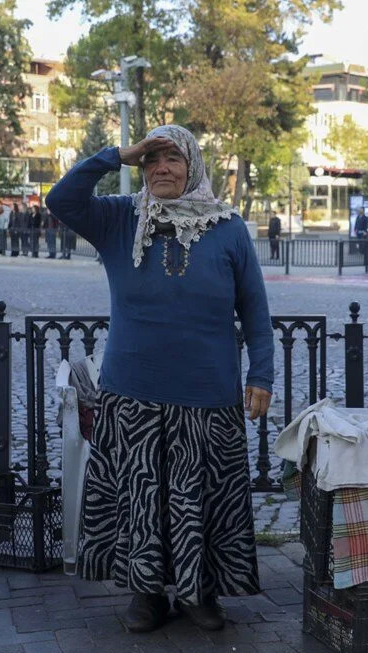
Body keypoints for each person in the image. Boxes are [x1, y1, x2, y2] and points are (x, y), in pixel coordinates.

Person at [45, 124, 274, 634]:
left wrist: (261, 373)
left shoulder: (229, 228)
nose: (161, 168)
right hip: (134, 394)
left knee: (204, 500)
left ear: (192, 166)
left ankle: (200, 592)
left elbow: (254, 311)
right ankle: (146, 593)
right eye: (152, 160)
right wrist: (116, 155)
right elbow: (61, 198)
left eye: (173, 158)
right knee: (141, 498)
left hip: (207, 395)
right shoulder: (120, 219)